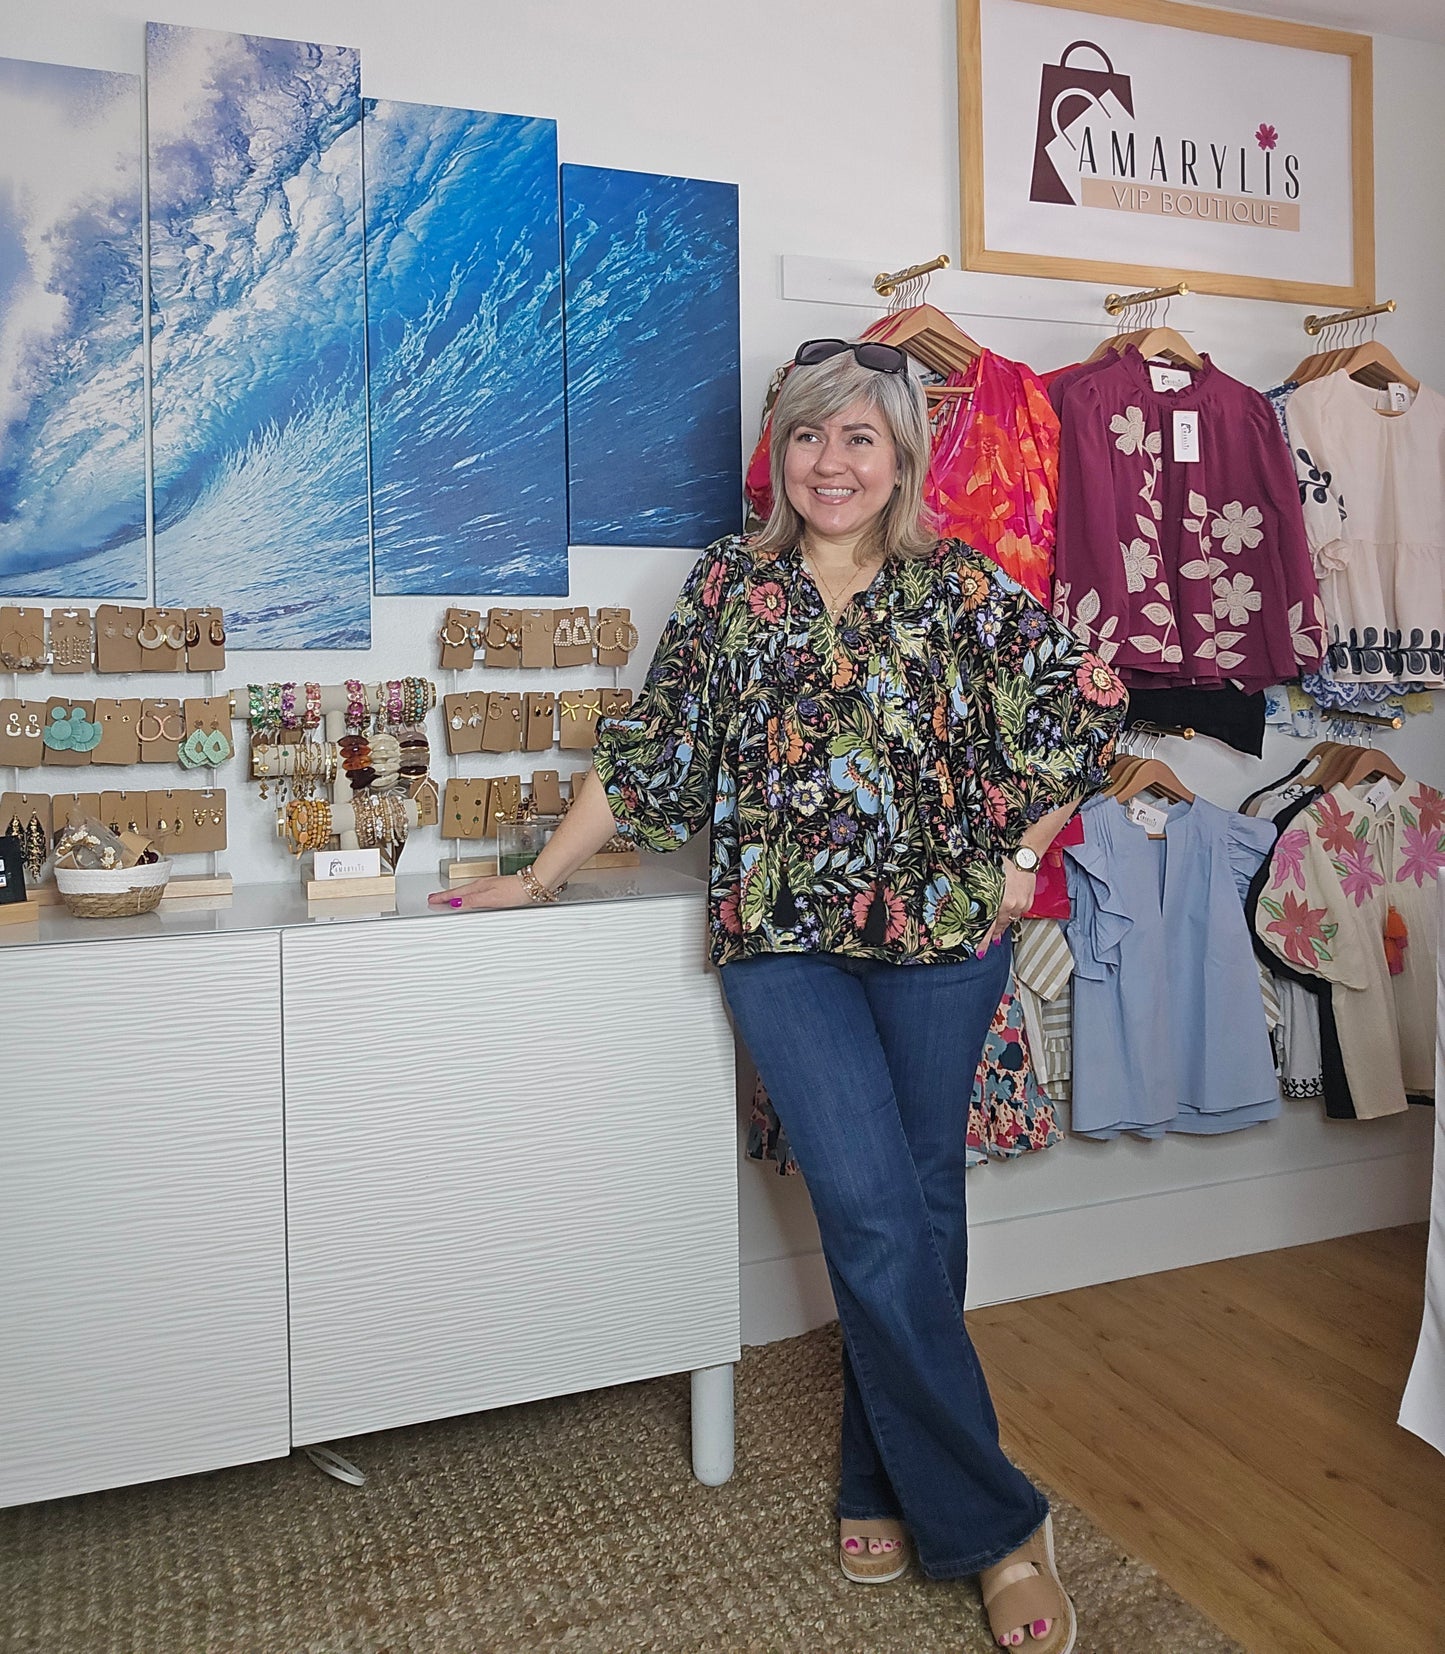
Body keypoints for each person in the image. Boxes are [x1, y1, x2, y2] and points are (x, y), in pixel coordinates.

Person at [431, 337, 1125, 1652]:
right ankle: (996, 1523)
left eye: (861, 436)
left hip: (942, 935)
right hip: (782, 939)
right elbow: (653, 757)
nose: (832, 461)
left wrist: (1022, 858)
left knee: (918, 1207)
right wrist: (538, 876)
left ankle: (878, 1475)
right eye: (809, 434)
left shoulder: (955, 583)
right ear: (779, 452)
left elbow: (1085, 707)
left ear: (901, 455)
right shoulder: (727, 585)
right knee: (866, 1210)